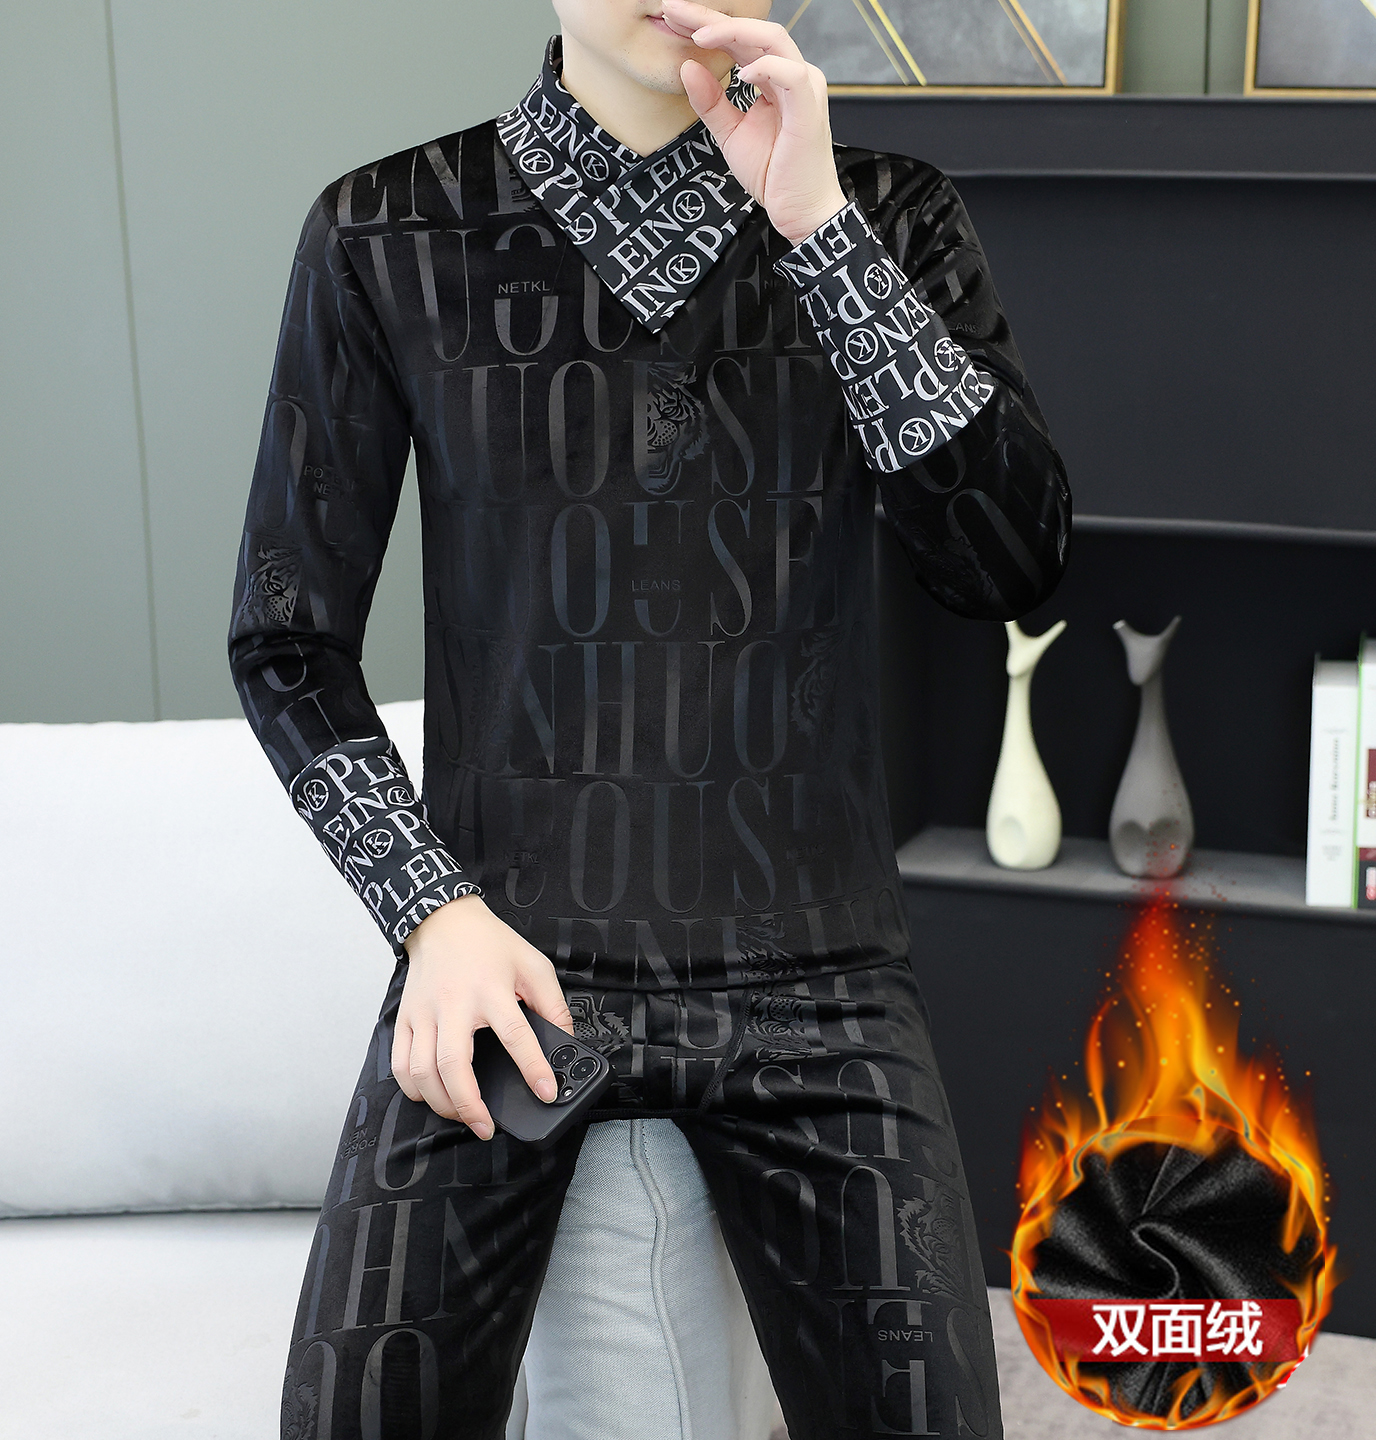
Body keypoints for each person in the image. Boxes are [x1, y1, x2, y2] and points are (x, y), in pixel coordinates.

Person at [228, 1, 1071, 1435]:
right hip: (511, 965)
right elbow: (286, 639)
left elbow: (1008, 564)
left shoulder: (888, 213)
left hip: (820, 985)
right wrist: (430, 914)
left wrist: (820, 233)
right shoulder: (385, 230)